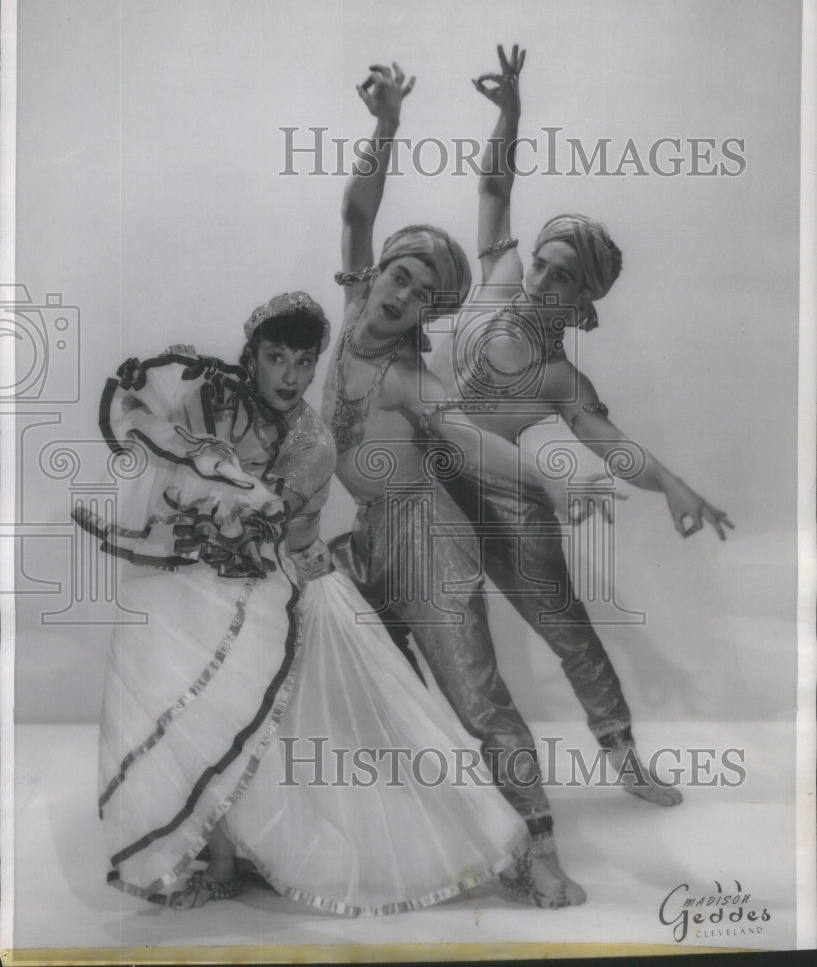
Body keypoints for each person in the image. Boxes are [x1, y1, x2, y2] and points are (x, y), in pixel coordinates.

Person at [74, 292, 533, 916]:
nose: (291, 376)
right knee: (188, 695)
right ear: (253, 355)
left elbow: (266, 526)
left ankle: (491, 841)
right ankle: (206, 852)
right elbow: (173, 475)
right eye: (276, 357)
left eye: (304, 361)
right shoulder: (210, 400)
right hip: (211, 584)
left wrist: (228, 514)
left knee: (330, 723)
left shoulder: (313, 441)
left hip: (291, 588)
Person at [323, 63, 598, 908]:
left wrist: (557, 479)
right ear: (376, 274)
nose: (401, 294)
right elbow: (355, 210)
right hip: (368, 537)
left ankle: (538, 847)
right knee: (326, 657)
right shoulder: (348, 314)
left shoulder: (409, 378)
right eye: (399, 274)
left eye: (424, 294)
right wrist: (386, 125)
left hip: (428, 540)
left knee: (475, 696)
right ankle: (385, 832)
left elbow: (473, 441)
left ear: (433, 316)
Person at [429, 45, 734, 803]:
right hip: (422, 482)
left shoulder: (563, 379)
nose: (542, 278)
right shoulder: (496, 282)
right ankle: (405, 771)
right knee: (391, 616)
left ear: (582, 304)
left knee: (568, 629)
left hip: (504, 496)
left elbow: (611, 447)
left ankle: (624, 760)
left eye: (563, 275)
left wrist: (673, 487)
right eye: (543, 262)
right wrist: (510, 111)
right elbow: (493, 186)